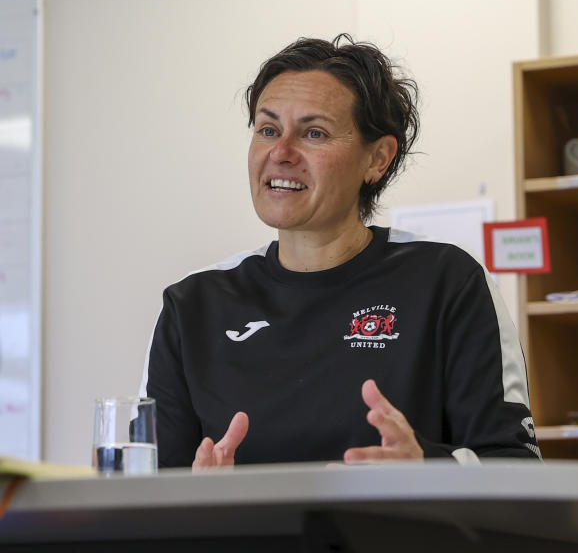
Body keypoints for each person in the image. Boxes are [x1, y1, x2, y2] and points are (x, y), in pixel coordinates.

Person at [139, 35, 540, 468]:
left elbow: (516, 466)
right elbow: (148, 493)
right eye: (268, 130)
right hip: (244, 539)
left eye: (314, 133)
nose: (281, 153)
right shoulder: (192, 306)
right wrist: (193, 503)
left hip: (399, 537)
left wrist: (428, 470)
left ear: (378, 159)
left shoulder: (446, 281)